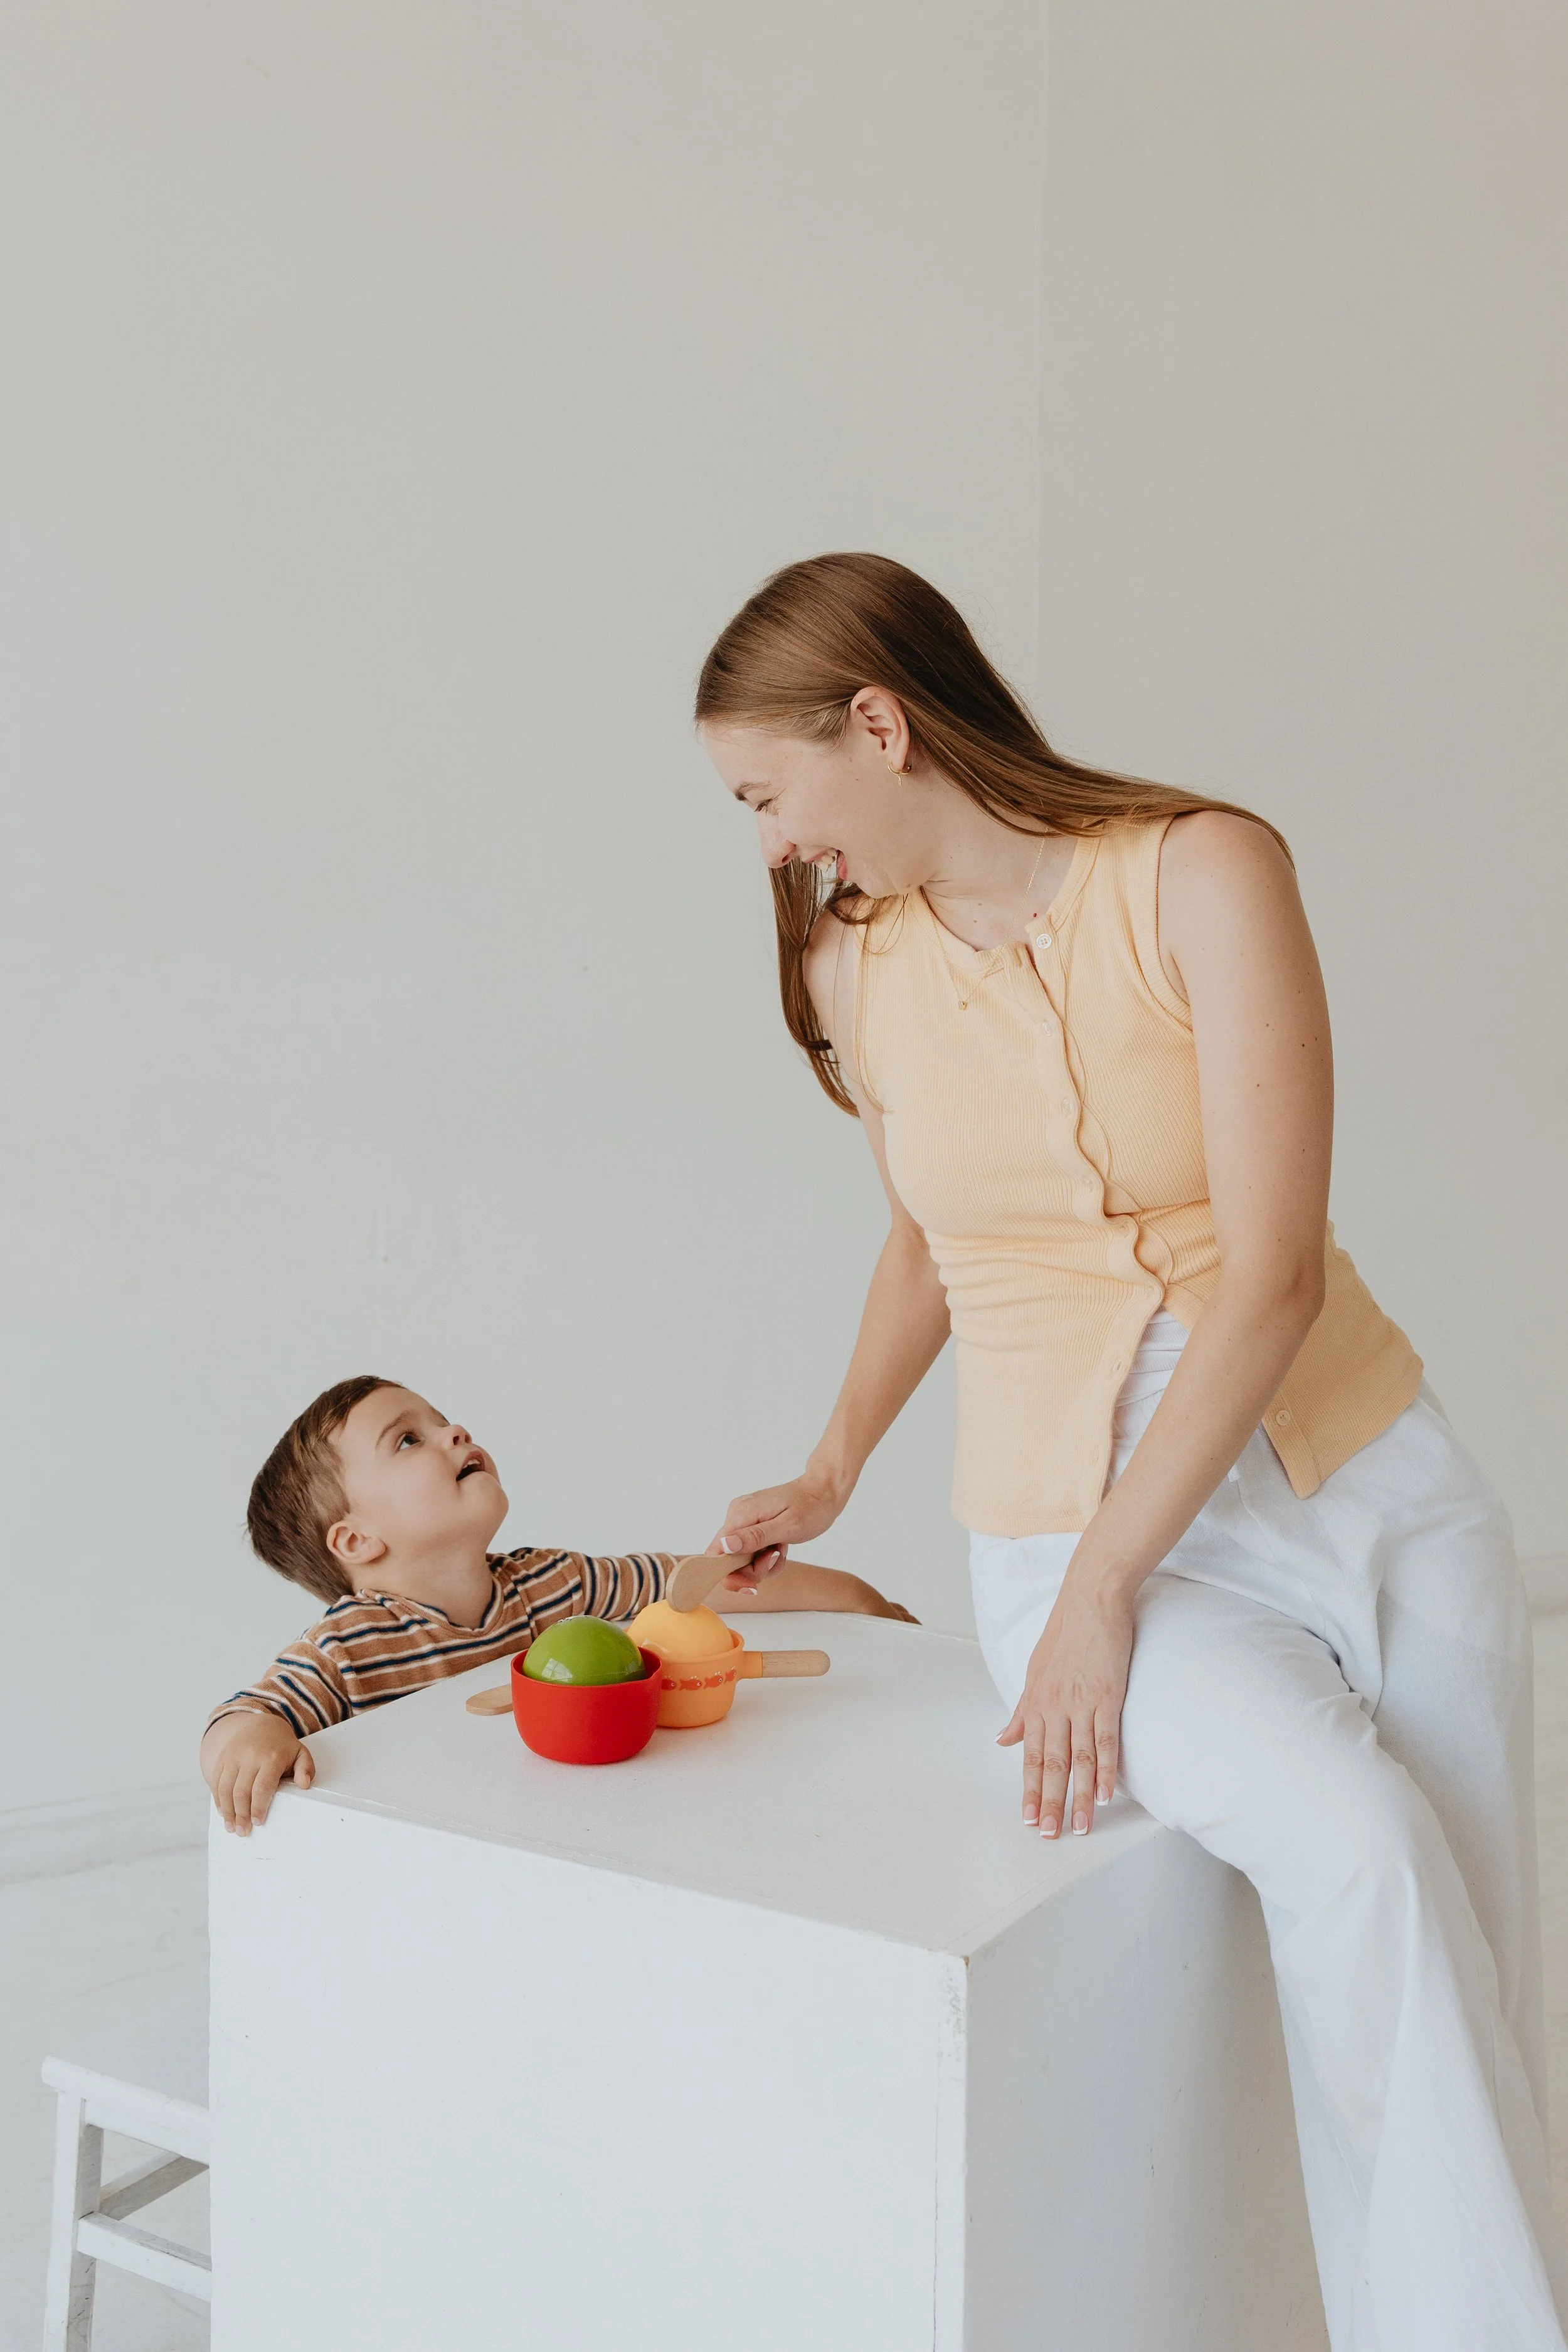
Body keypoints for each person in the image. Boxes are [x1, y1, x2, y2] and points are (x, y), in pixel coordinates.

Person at [695, 551, 1567, 2349]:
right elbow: (932, 1231)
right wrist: (838, 1462)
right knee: (1363, 1862)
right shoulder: (856, 966)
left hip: (1359, 1477)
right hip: (1061, 1523)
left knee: (1467, 1963)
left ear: (879, 720)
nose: (773, 845)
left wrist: (1111, 1574)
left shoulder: (1202, 871)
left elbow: (1264, 1274)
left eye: (769, 795)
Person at [201, 1372, 913, 1835]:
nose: (456, 1432)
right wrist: (248, 1740)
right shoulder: (349, 1649)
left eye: (443, 1418)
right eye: (409, 1439)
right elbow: (249, 1714)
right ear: (356, 1540)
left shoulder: (552, 1585)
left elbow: (693, 1586)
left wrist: (860, 1600)